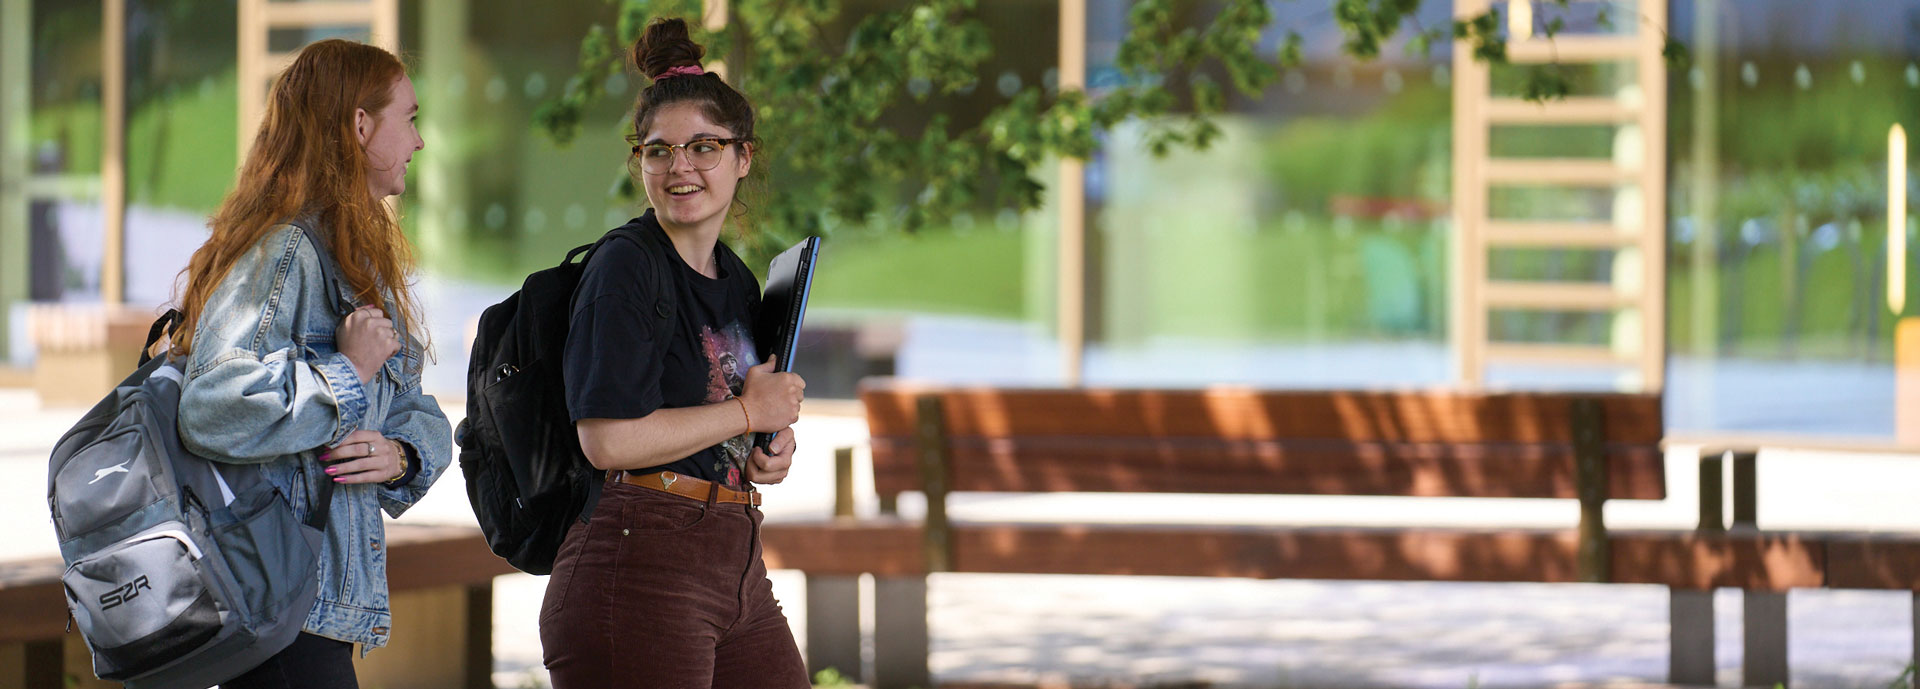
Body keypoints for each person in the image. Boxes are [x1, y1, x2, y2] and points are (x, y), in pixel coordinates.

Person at [538, 17, 810, 688]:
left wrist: (766, 445)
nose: (679, 166)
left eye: (703, 147)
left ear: (742, 156)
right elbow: (606, 440)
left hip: (734, 556)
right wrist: (748, 415)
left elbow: (727, 410)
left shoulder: (738, 279)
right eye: (658, 150)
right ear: (640, 163)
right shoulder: (626, 268)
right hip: (637, 564)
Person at [170, 38, 450, 688]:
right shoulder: (288, 252)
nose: (419, 140)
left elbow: (415, 405)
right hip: (282, 620)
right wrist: (344, 376)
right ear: (359, 125)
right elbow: (213, 403)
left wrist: (403, 454)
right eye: (408, 118)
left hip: (317, 618)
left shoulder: (360, 260)